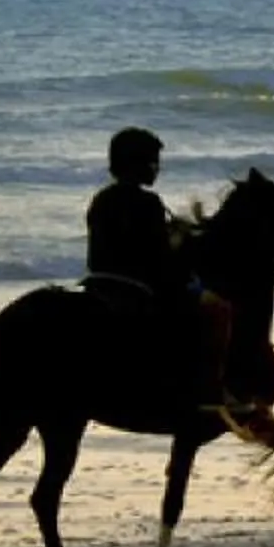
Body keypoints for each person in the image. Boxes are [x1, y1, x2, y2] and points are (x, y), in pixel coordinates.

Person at [83, 126, 232, 405]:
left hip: (99, 281)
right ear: (138, 164)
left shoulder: (102, 198)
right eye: (153, 162)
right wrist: (180, 241)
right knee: (218, 309)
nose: (157, 169)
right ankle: (209, 389)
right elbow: (159, 258)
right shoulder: (148, 202)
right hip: (136, 286)